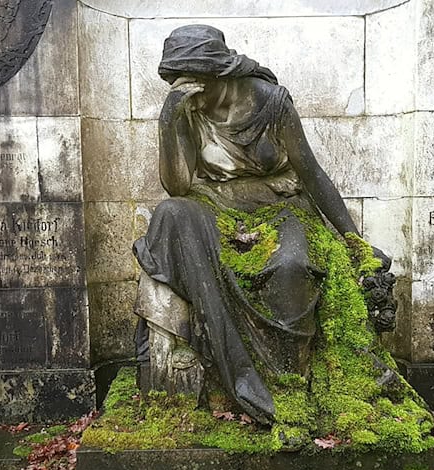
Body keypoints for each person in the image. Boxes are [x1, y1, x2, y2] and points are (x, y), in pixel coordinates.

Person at [133, 24, 390, 425]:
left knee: (290, 266)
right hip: (215, 205)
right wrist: (170, 118)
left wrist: (354, 240)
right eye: (179, 87)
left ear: (219, 74)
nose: (190, 97)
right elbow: (178, 185)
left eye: (195, 87)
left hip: (281, 206)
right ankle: (233, 365)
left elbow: (312, 172)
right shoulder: (186, 110)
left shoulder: (270, 101)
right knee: (171, 214)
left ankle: (287, 387)